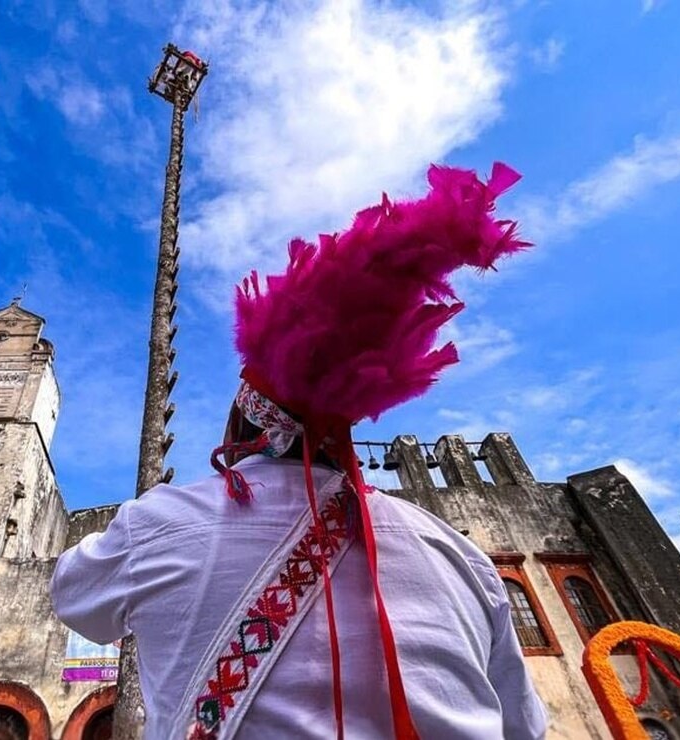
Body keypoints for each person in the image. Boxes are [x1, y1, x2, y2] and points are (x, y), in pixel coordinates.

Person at [52, 164, 549, 739]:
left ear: (244, 420)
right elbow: (524, 728)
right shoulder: (461, 559)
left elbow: (75, 596)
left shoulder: (159, 525)